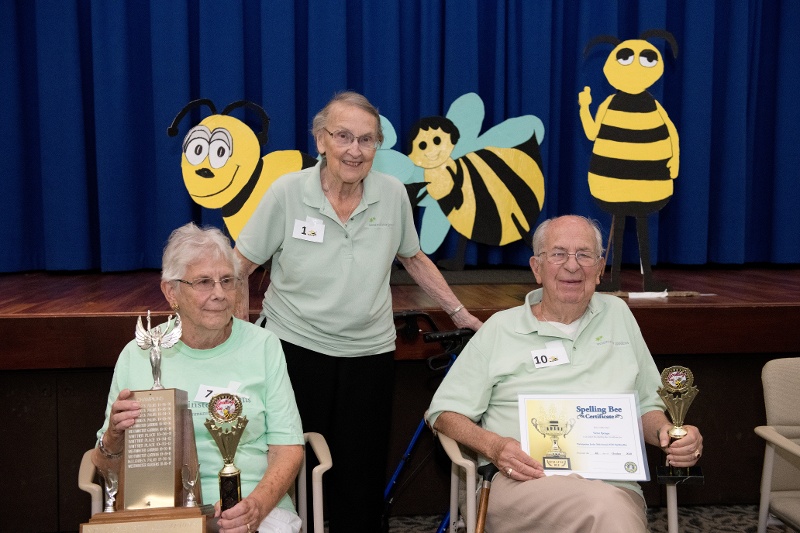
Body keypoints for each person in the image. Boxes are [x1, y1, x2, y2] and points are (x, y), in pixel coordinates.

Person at [233, 91, 482, 533]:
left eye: (367, 140)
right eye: (343, 136)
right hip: (294, 349)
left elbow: (415, 257)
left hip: (368, 355)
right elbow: (241, 264)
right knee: (287, 467)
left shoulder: (390, 194)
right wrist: (239, 336)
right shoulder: (288, 192)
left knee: (361, 476)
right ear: (320, 139)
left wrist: (459, 313)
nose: (354, 149)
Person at [426, 215, 703, 532]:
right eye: (558, 254)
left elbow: (645, 406)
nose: (572, 266)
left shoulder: (618, 316)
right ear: (536, 267)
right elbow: (444, 413)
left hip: (614, 484)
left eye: (584, 255)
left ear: (600, 269)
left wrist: (671, 435)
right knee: (607, 511)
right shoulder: (501, 329)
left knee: (608, 505)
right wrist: (493, 447)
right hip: (523, 483)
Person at [93, 223, 305, 533]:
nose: (219, 294)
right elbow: (104, 465)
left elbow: (288, 448)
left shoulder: (263, 346)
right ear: (171, 291)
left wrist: (256, 506)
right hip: (163, 513)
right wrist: (113, 436)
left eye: (227, 281)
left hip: (254, 505)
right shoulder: (139, 353)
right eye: (204, 282)